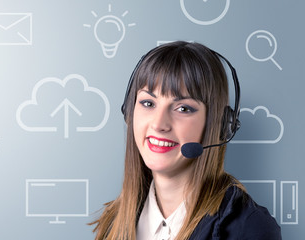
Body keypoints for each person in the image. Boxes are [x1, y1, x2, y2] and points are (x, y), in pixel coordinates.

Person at [90, 41, 281, 240]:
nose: (159, 124)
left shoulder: (249, 228)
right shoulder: (113, 222)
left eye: (183, 108)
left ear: (218, 124)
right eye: (148, 103)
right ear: (130, 112)